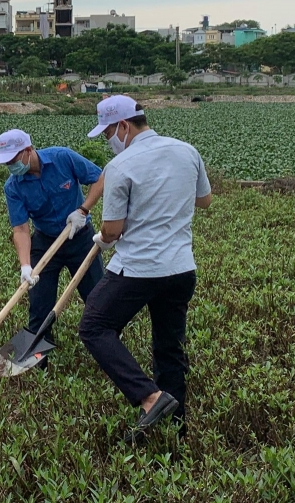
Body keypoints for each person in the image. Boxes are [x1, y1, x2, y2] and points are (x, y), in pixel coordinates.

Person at [78, 95, 213, 443]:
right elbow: (205, 200)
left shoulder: (122, 166)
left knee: (94, 326)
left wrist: (103, 240)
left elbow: (112, 230)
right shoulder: (187, 151)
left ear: (123, 126)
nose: (110, 141)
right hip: (182, 269)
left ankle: (150, 397)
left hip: (138, 269)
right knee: (169, 346)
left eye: (108, 132)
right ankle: (176, 430)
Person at [0, 129, 105, 349]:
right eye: (6, 162)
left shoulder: (62, 157)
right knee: (39, 305)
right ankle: (38, 356)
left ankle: (106, 347)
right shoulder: (13, 186)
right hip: (45, 241)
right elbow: (21, 229)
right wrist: (25, 266)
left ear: (28, 150)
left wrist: (83, 210)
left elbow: (100, 178)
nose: (11, 167)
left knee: (97, 299)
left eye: (13, 160)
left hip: (80, 238)